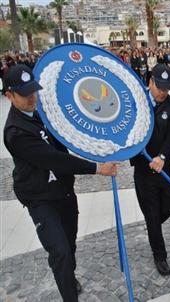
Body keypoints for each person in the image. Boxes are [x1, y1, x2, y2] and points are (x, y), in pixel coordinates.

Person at [3, 64, 117, 302]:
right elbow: (55, 159)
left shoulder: (42, 112)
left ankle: (69, 274)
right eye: (25, 95)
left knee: (70, 242)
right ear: (9, 96)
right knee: (60, 251)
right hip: (40, 198)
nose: (32, 97)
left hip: (63, 191)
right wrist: (97, 168)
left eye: (33, 91)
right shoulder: (16, 131)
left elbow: (67, 134)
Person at [129, 64, 170, 276]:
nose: (162, 92)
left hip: (164, 167)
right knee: (151, 213)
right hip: (143, 169)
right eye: (159, 87)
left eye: (166, 88)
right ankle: (160, 254)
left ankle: (153, 227)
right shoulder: (136, 103)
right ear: (150, 82)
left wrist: (162, 157)